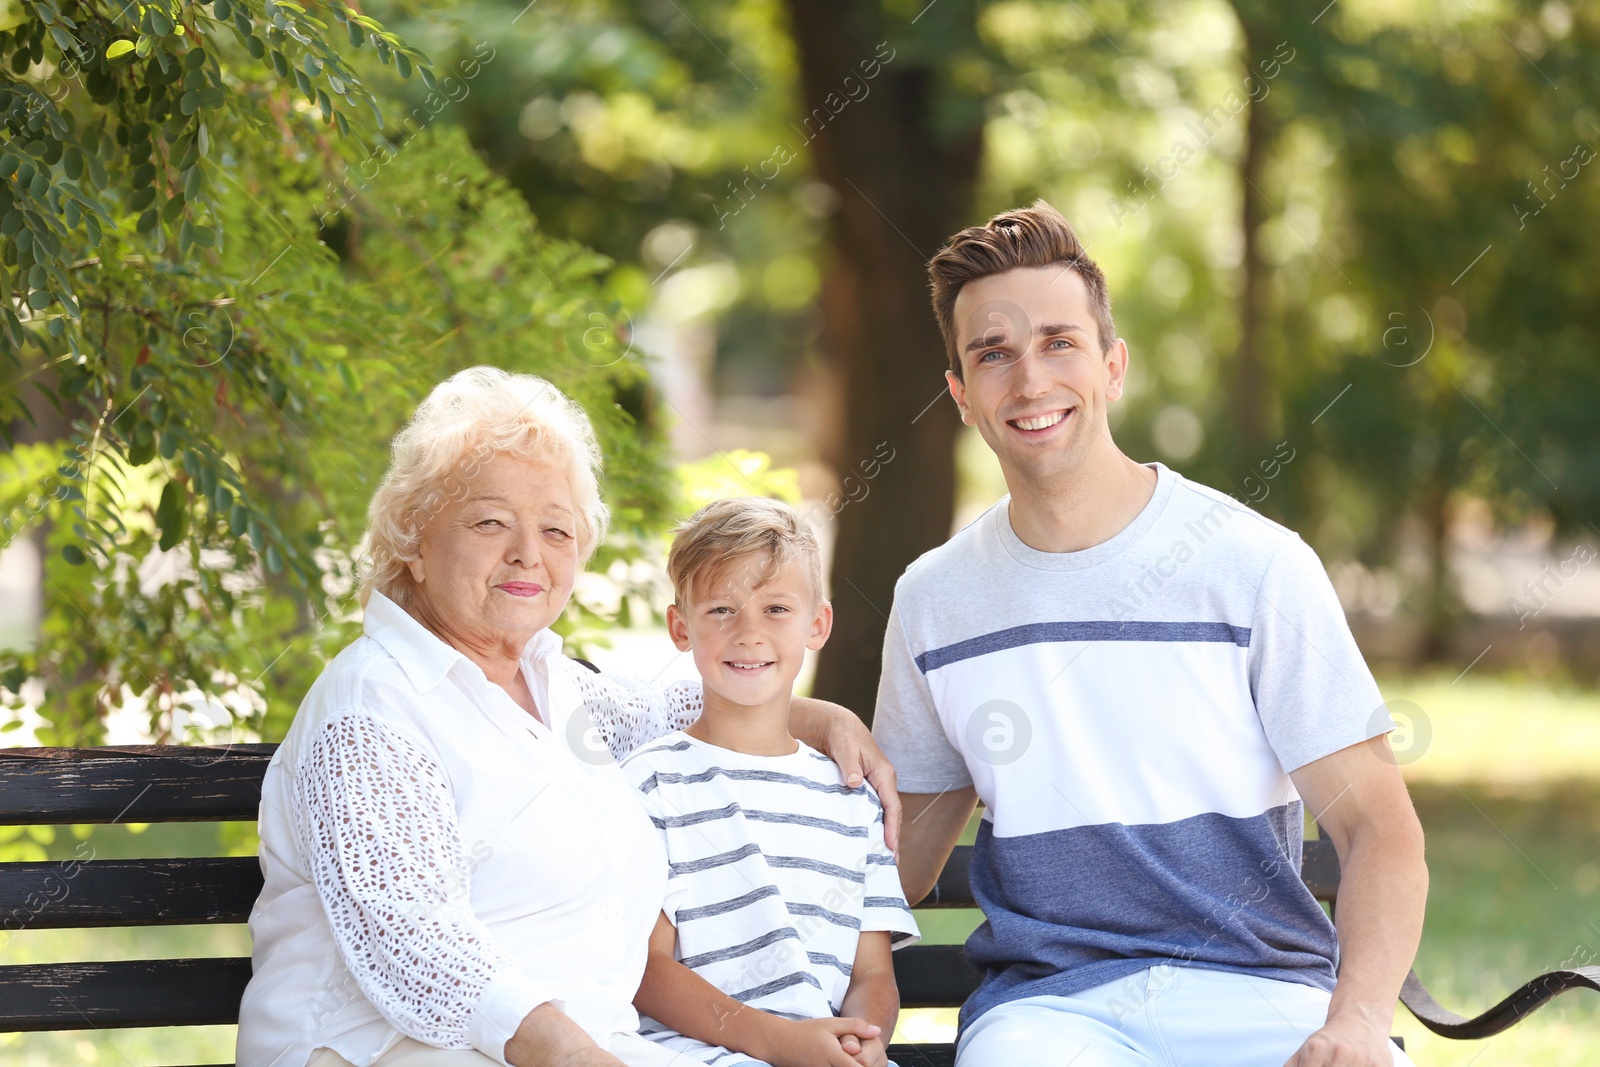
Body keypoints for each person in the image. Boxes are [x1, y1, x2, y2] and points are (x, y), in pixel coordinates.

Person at [873, 202, 1428, 1067]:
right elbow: (896, 866)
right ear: (960, 394)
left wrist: (1356, 1021)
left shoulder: (1254, 565)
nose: (1029, 381)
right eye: (993, 354)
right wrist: (801, 724)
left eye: (1059, 342)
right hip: (1050, 1018)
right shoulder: (936, 600)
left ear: (1113, 365)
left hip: (1261, 995)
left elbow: (1379, 832)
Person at [236, 367, 900, 1067]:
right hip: (392, 1050)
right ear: (412, 540)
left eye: (556, 529)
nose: (528, 551)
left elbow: (688, 705)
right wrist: (578, 1059)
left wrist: (825, 719)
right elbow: (417, 944)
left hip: (590, 1048)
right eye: (490, 521)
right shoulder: (372, 705)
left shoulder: (559, 690)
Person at [621, 497, 918, 1067]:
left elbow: (873, 973)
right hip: (693, 1055)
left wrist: (860, 1042)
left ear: (818, 624)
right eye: (721, 611)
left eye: (776, 608)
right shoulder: (651, 784)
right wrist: (779, 1044)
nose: (749, 633)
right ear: (680, 627)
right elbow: (644, 969)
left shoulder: (852, 798)